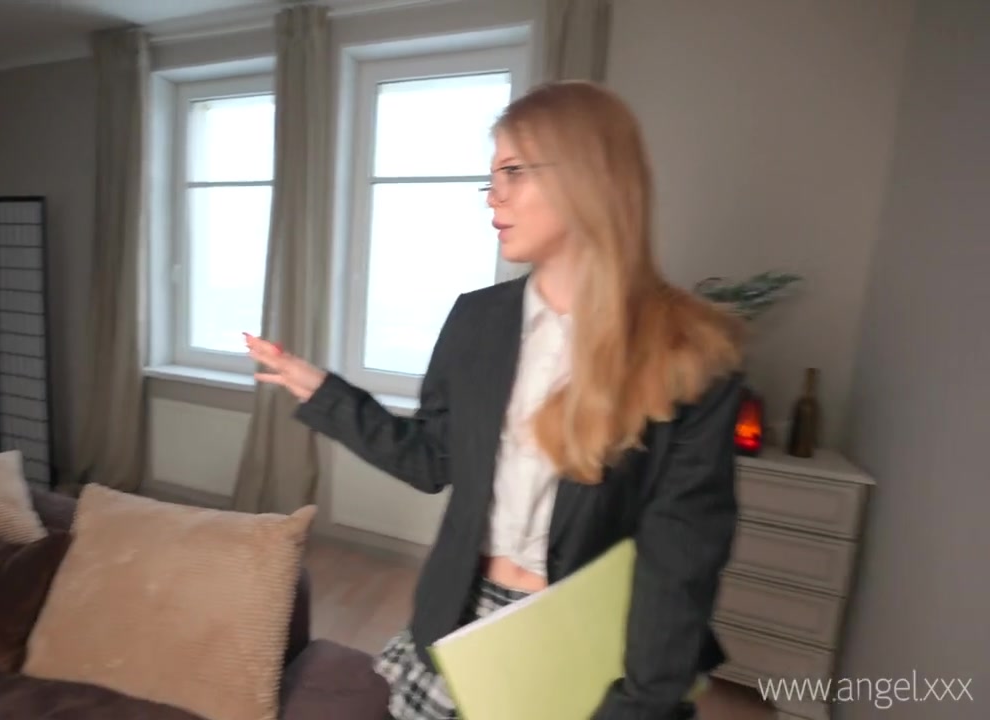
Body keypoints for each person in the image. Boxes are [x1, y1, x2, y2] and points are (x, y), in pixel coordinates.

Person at [244, 80, 745, 720]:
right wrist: (320, 390)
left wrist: (642, 703)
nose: (493, 195)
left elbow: (681, 560)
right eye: (490, 178)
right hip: (459, 619)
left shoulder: (689, 352)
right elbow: (430, 460)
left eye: (513, 172)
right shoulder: (476, 321)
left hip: (588, 640)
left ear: (588, 177)